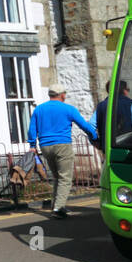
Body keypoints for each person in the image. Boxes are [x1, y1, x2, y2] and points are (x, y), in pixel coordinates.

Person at [27, 84, 98, 218]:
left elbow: (32, 129)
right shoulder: (68, 109)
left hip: (45, 146)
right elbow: (83, 125)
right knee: (65, 178)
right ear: (62, 95)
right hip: (62, 145)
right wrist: (94, 136)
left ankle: (56, 205)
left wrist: (32, 144)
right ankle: (58, 209)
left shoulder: (39, 109)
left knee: (57, 177)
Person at [95, 79, 132, 148]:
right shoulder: (131, 105)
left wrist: (97, 142)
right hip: (128, 149)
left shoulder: (101, 106)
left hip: (108, 150)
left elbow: (91, 126)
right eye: (127, 89)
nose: (128, 92)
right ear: (123, 91)